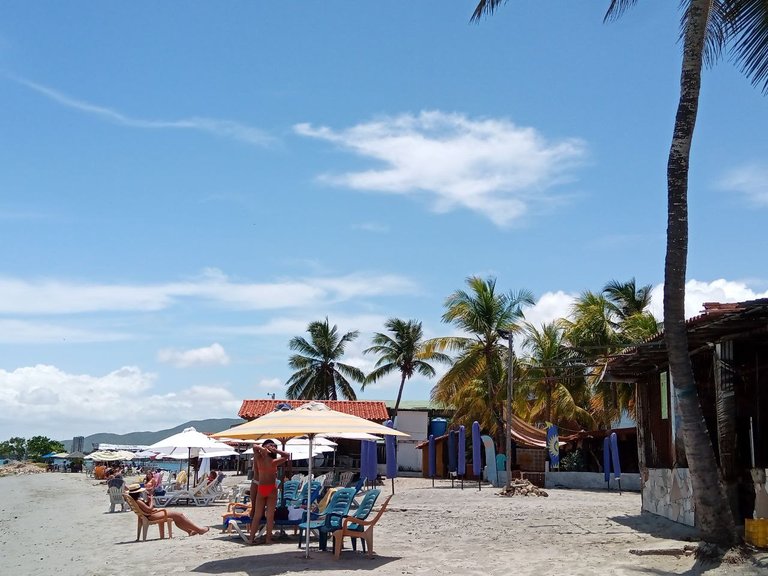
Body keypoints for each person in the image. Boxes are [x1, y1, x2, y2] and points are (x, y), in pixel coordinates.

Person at [247, 439, 290, 544]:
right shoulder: (274, 462)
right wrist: (276, 451)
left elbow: (254, 446)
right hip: (271, 488)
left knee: (257, 515)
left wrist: (263, 448)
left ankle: (251, 539)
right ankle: (268, 539)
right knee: (270, 516)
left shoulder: (259, 459)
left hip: (262, 488)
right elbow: (287, 455)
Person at [124, 484, 209, 536]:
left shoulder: (136, 500)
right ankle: (199, 530)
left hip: (148, 515)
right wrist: (152, 500)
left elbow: (146, 509)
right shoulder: (138, 501)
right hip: (152, 516)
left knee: (177, 517)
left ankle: (189, 531)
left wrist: (148, 500)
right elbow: (149, 510)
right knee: (179, 515)